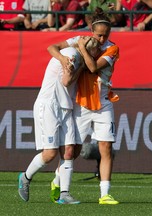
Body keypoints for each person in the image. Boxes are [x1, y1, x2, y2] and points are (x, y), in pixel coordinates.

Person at [47, 7, 120, 205]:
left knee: (106, 147)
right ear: (91, 31)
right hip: (82, 104)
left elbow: (93, 67)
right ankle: (57, 180)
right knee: (74, 151)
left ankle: (105, 194)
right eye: (99, 35)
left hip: (104, 104)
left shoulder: (113, 49)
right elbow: (52, 47)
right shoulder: (80, 39)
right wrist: (64, 58)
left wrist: (82, 49)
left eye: (106, 35)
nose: (103, 39)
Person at [18, 36, 100, 204]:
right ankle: (25, 177)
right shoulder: (72, 55)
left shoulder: (76, 53)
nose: (95, 58)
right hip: (49, 105)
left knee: (69, 151)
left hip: (65, 106)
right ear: (87, 51)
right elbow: (66, 80)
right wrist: (82, 67)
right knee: (49, 154)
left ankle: (64, 194)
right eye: (94, 54)